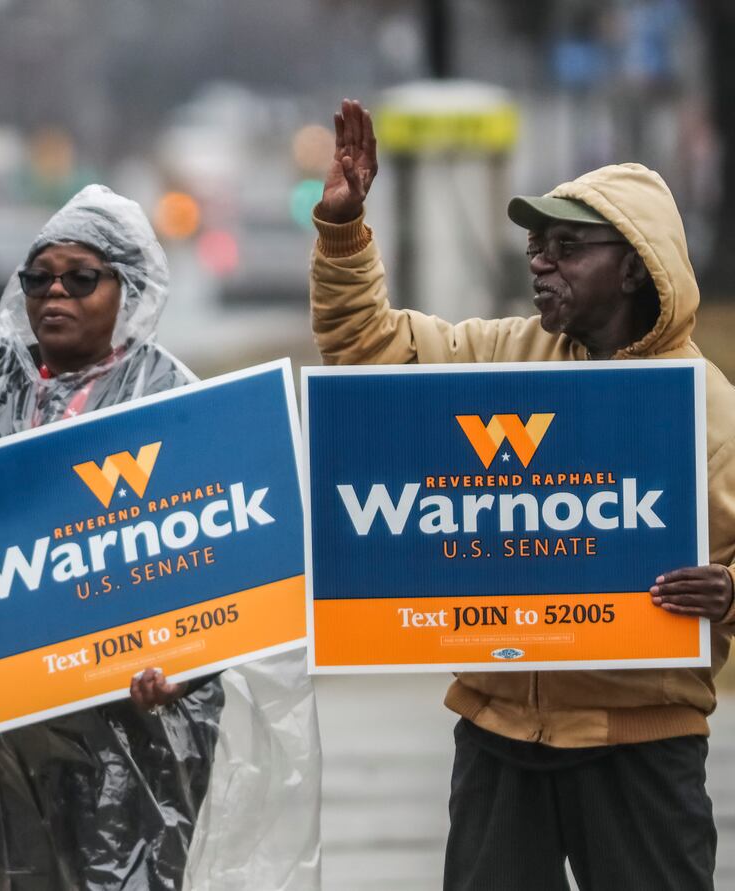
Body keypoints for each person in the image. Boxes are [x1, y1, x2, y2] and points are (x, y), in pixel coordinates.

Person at [309, 98, 735, 891]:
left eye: (567, 247)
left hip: (642, 747)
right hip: (499, 736)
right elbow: (368, 353)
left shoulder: (707, 409)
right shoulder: (505, 356)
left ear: (637, 263)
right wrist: (342, 234)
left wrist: (730, 593)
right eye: (536, 245)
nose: (539, 262)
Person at [0, 185, 320, 890]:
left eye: (81, 277)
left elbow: (228, 569)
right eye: (38, 277)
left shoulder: (175, 404)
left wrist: (186, 665)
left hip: (135, 733)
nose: (54, 293)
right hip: (0, 723)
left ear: (128, 289)